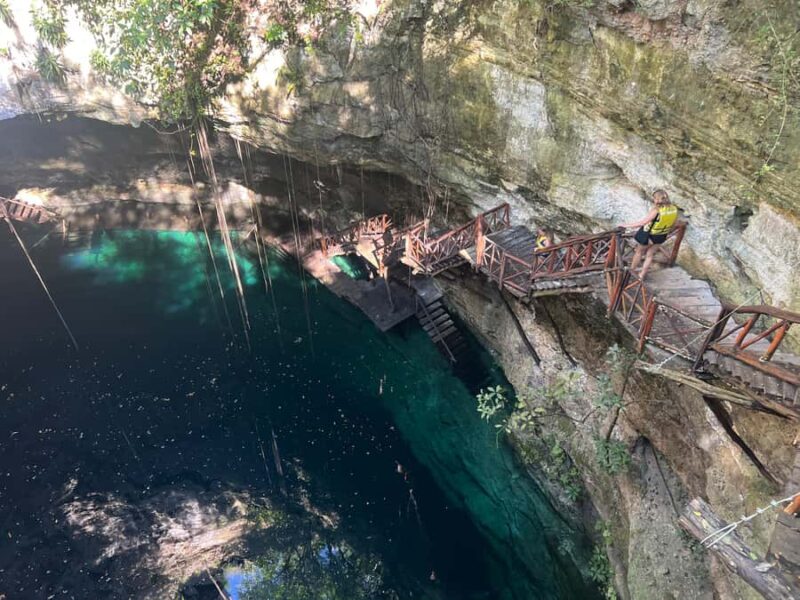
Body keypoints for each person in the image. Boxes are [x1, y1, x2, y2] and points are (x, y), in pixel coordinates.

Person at [620, 189, 679, 279]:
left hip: (650, 236)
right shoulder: (674, 209)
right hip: (661, 236)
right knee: (650, 254)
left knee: (639, 252)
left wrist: (625, 225)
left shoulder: (657, 210)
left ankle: (632, 271)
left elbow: (642, 223)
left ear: (657, 199)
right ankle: (642, 274)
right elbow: (674, 224)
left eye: (654, 198)